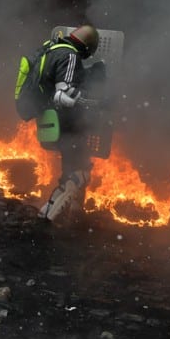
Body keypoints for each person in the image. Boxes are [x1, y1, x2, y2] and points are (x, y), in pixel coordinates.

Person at [36, 24, 105, 222]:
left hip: (56, 123)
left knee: (70, 171)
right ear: (86, 46)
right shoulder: (70, 55)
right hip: (68, 124)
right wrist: (96, 102)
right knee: (80, 173)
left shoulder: (53, 49)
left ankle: (50, 214)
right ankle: (49, 217)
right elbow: (63, 94)